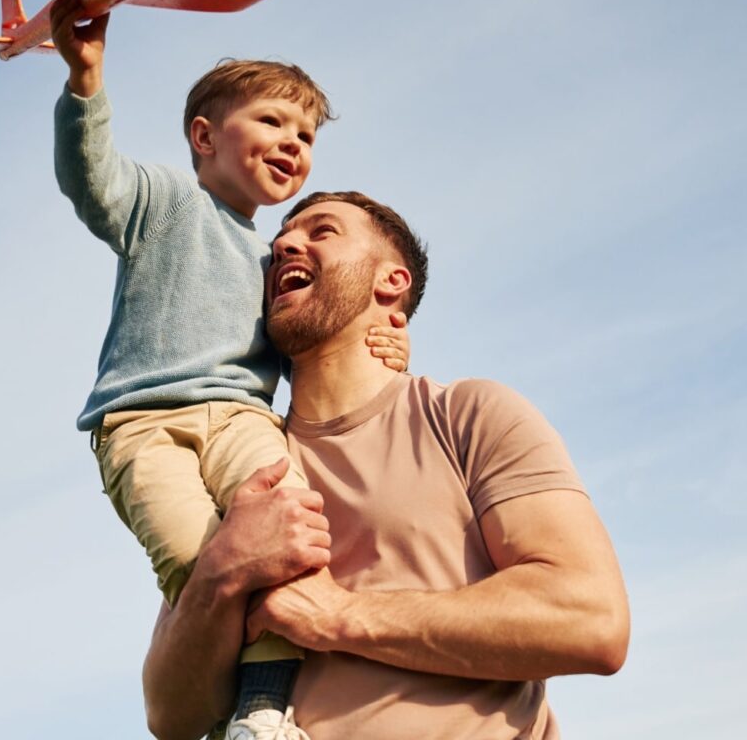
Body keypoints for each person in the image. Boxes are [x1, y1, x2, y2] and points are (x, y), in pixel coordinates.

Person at [143, 191, 630, 740]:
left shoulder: (467, 414)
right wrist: (222, 571)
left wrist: (336, 616)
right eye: (281, 239)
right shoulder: (235, 456)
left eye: (322, 231)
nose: (283, 244)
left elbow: (591, 620)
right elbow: (170, 717)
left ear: (391, 282)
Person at [50, 0, 408, 740]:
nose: (293, 143)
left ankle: (264, 709)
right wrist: (85, 81)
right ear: (205, 138)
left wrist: (388, 339)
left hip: (244, 420)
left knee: (293, 537)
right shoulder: (165, 201)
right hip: (143, 426)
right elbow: (91, 179)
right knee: (199, 561)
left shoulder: (278, 261)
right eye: (273, 122)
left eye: (305, 135)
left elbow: (315, 344)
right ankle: (216, 705)